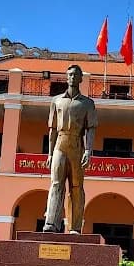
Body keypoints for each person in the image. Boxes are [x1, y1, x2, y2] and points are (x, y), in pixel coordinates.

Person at [42, 64, 97, 234]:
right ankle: (51, 223)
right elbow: (51, 129)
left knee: (76, 187)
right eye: (70, 75)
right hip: (60, 144)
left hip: (77, 145)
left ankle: (74, 227)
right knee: (56, 184)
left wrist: (88, 150)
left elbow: (91, 128)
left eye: (76, 75)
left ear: (81, 79)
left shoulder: (87, 103)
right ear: (67, 77)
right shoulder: (57, 100)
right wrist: (50, 153)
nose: (72, 77)